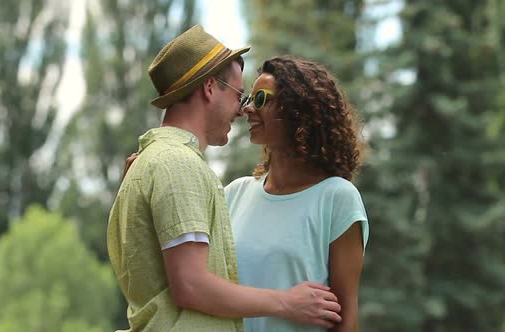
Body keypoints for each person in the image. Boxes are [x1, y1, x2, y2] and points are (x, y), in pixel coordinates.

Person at [107, 25, 342, 332]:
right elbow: (190, 285)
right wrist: (288, 302)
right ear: (209, 87)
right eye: (239, 95)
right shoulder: (178, 164)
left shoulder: (151, 162)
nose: (242, 110)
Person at [224, 55, 369, 332]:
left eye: (262, 99)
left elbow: (345, 316)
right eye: (248, 100)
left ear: (298, 111)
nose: (248, 110)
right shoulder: (234, 194)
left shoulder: (337, 198)